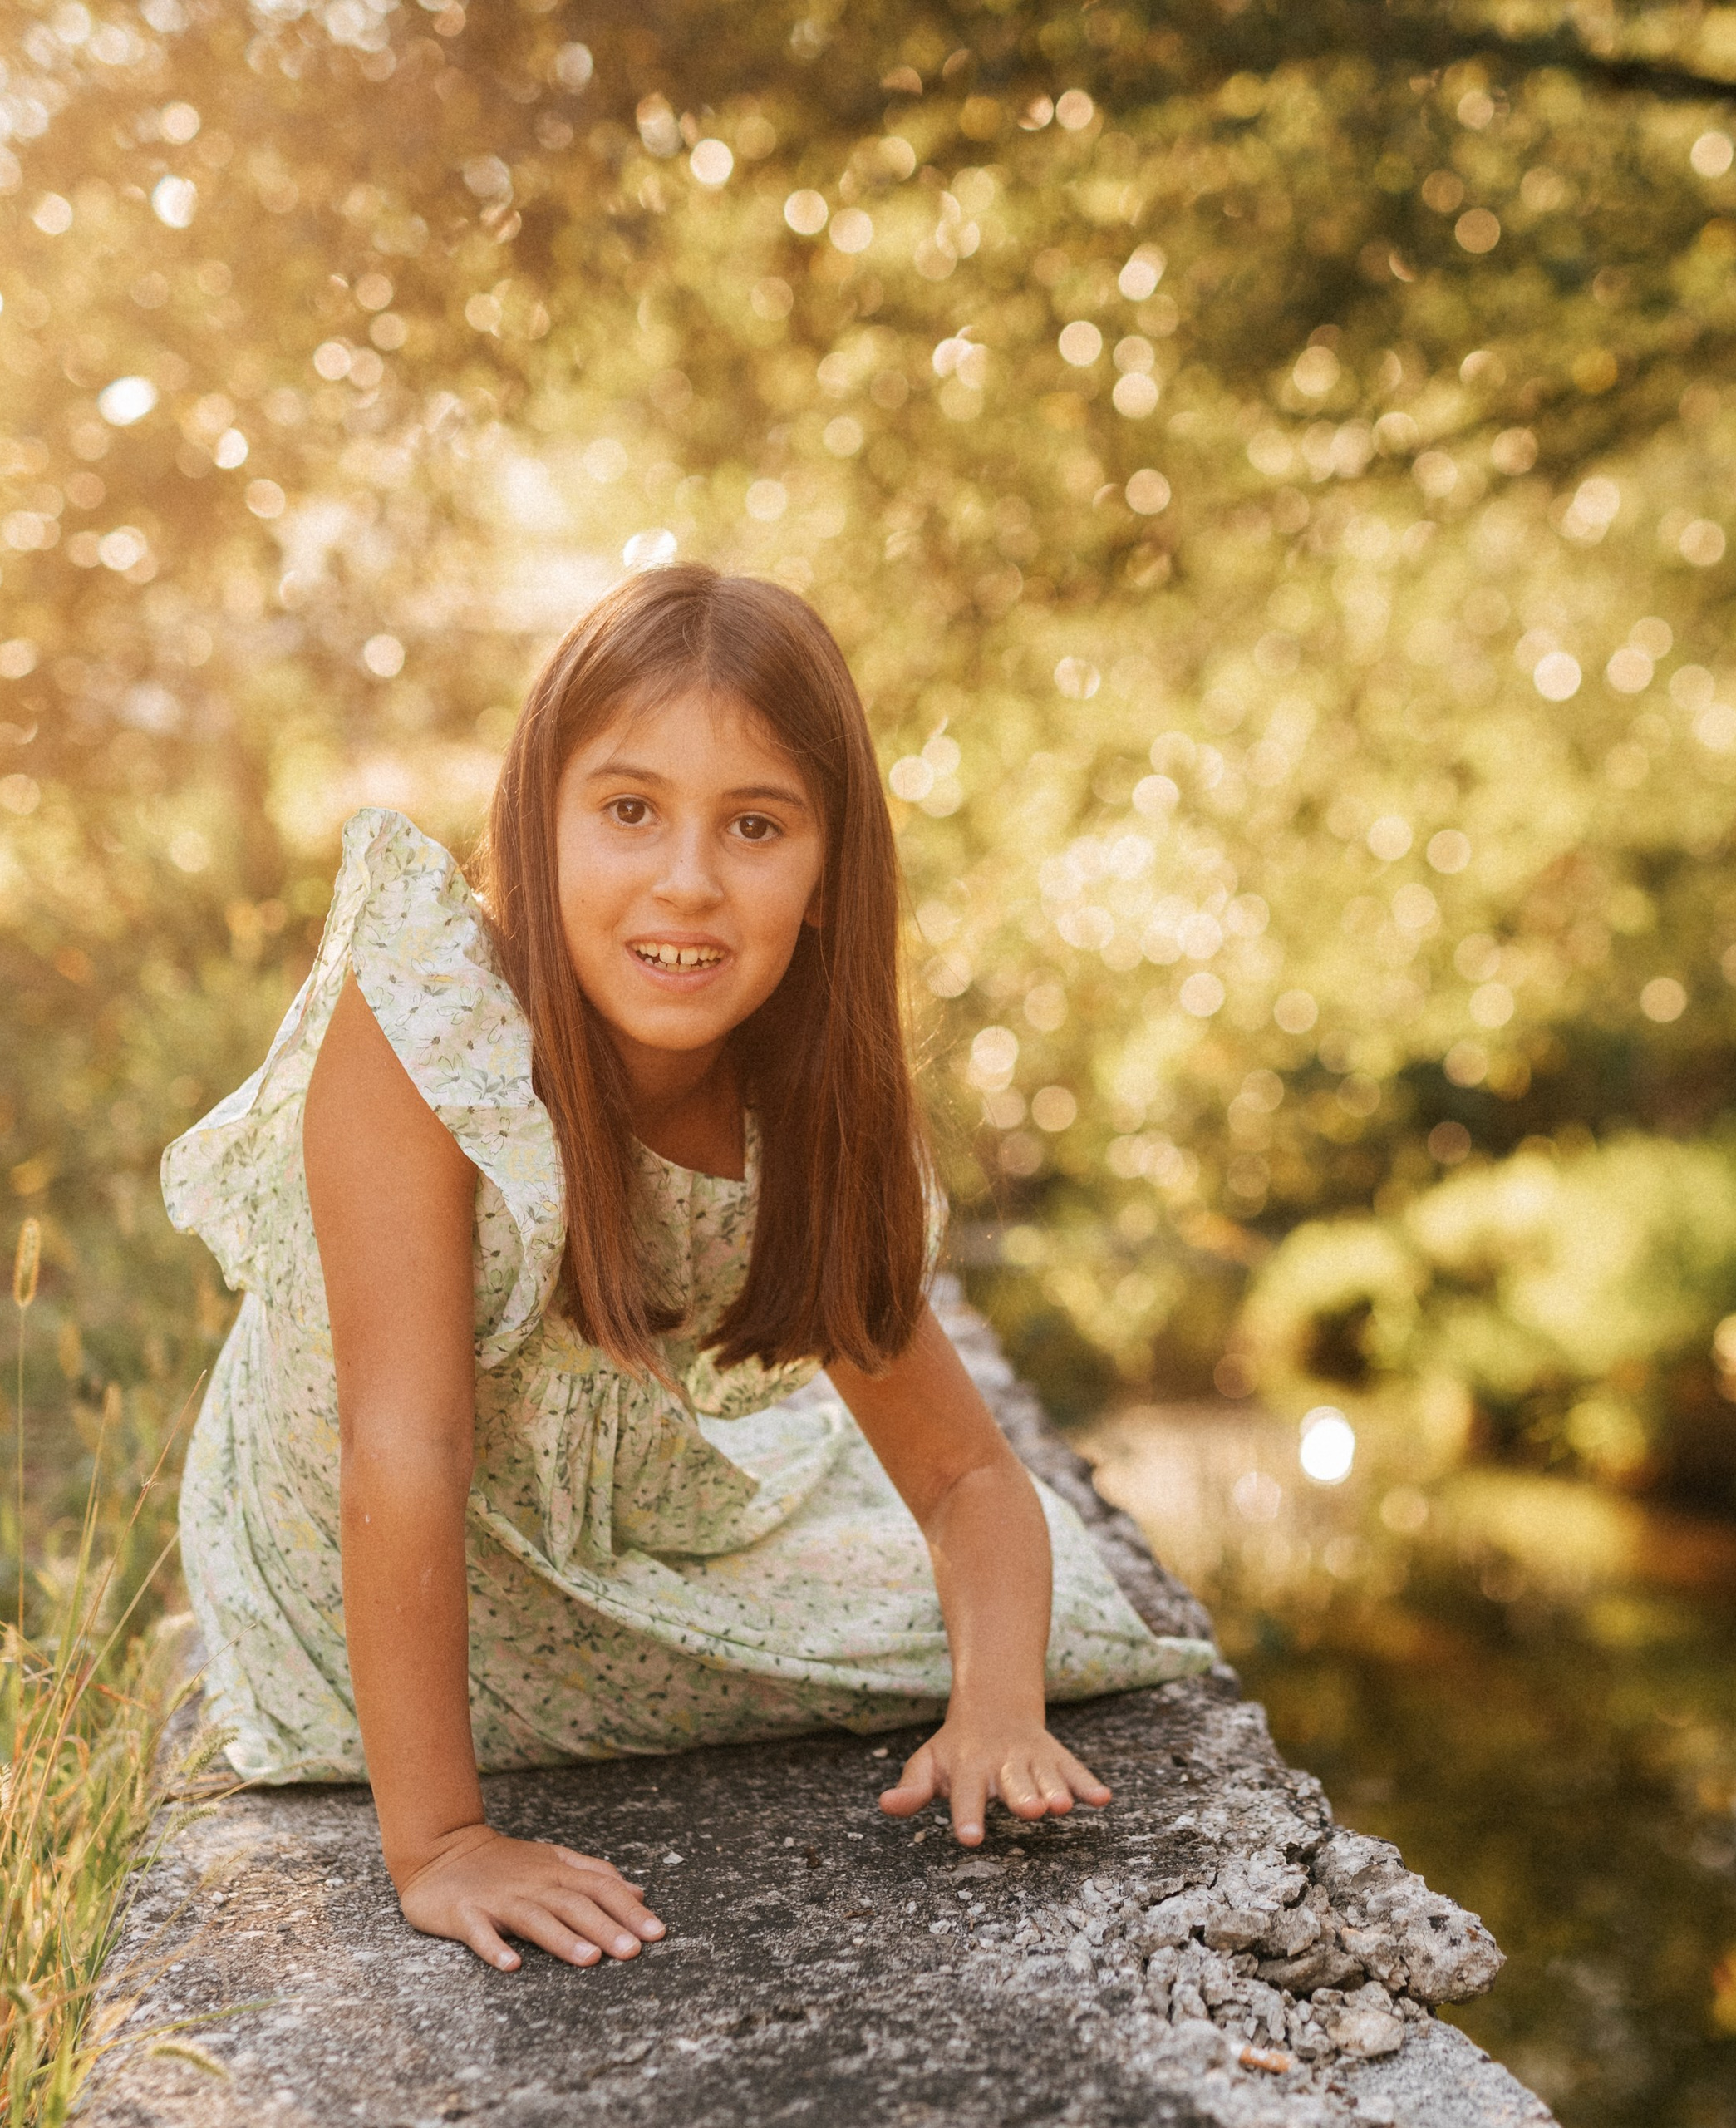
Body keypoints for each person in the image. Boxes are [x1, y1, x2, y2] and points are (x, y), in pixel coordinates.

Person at [163, 563, 1212, 1975]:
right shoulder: (431, 1012)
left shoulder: (802, 1127)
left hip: (580, 1551)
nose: (688, 881)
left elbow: (969, 1479)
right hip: (350, 1558)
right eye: (629, 810)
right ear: (539, 824)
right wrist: (443, 1843)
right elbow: (401, 1440)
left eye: (758, 825)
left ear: (831, 871)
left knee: (1060, 1620)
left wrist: (998, 1711)